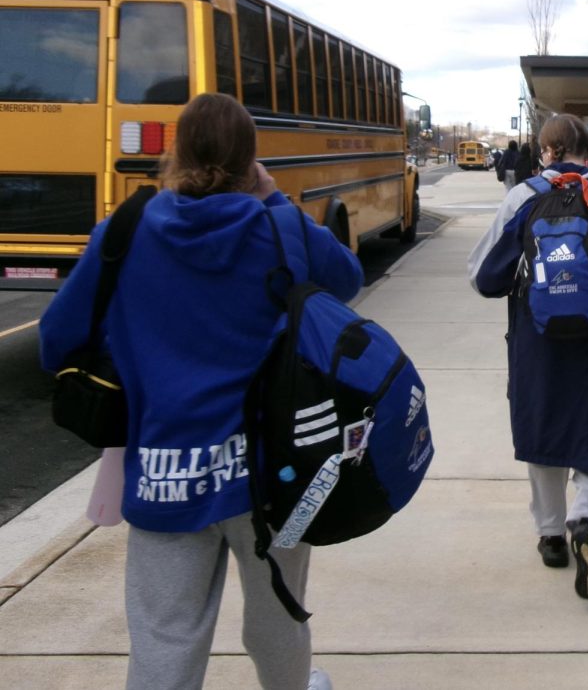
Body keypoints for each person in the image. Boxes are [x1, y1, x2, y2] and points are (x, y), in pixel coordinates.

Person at [40, 93, 362, 690]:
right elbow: (346, 281)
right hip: (273, 471)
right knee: (278, 615)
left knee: (166, 633)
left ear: (176, 150)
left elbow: (58, 339)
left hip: (164, 466)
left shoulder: (126, 232)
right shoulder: (279, 226)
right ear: (251, 157)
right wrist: (271, 198)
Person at [467, 113, 588, 600]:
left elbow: (483, 277)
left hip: (538, 340)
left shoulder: (523, 196)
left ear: (548, 150)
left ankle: (551, 534)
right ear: (587, 150)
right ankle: (587, 519)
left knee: (544, 427)